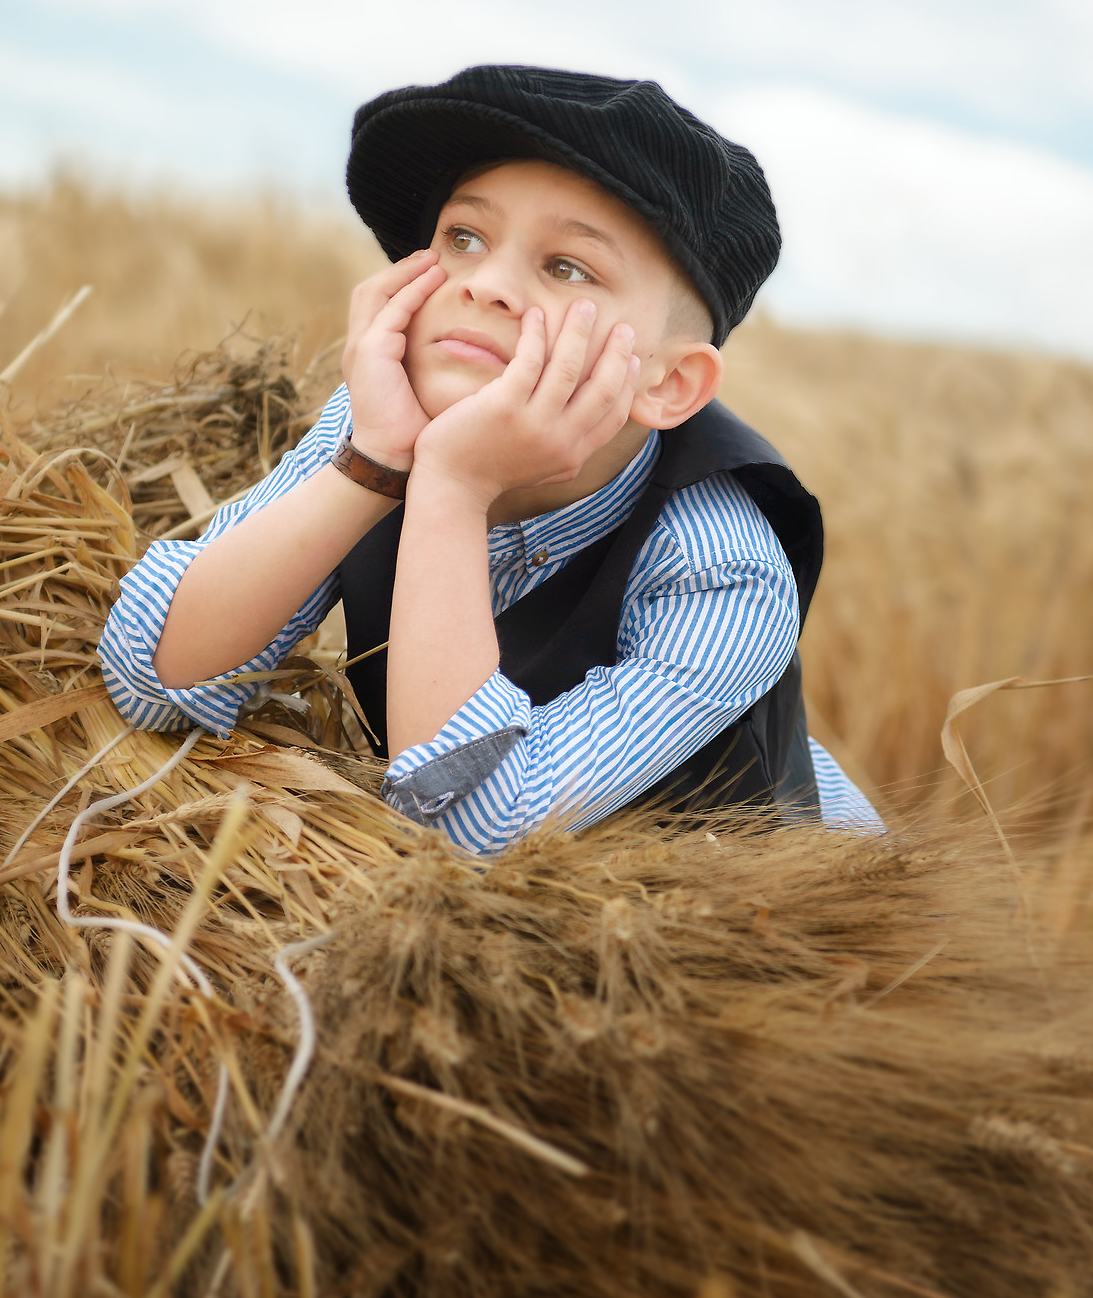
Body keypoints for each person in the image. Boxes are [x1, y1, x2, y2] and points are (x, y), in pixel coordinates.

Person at [99, 66, 882, 850]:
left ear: (671, 382)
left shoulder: (722, 574)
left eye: (567, 266)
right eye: (463, 238)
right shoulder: (382, 428)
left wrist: (454, 487)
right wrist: (376, 463)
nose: (487, 284)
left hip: (732, 926)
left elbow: (470, 827)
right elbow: (150, 675)